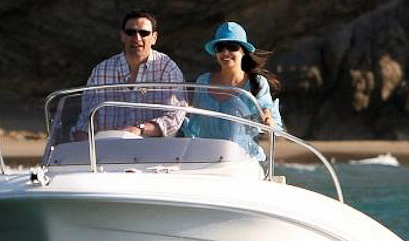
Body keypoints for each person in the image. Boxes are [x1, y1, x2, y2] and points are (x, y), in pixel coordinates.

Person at [72, 10, 186, 139]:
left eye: (144, 33)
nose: (137, 38)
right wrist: (81, 145)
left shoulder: (168, 69)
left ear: (154, 38)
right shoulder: (101, 71)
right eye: (131, 32)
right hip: (108, 151)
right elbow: (87, 118)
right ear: (122, 36)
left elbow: (175, 116)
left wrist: (139, 130)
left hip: (155, 151)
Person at [183, 21, 284, 160]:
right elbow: (194, 126)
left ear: (243, 51)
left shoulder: (257, 83)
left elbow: (269, 117)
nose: (225, 52)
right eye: (220, 48)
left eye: (232, 47)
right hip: (205, 159)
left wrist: (267, 120)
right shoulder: (203, 82)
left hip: (243, 162)